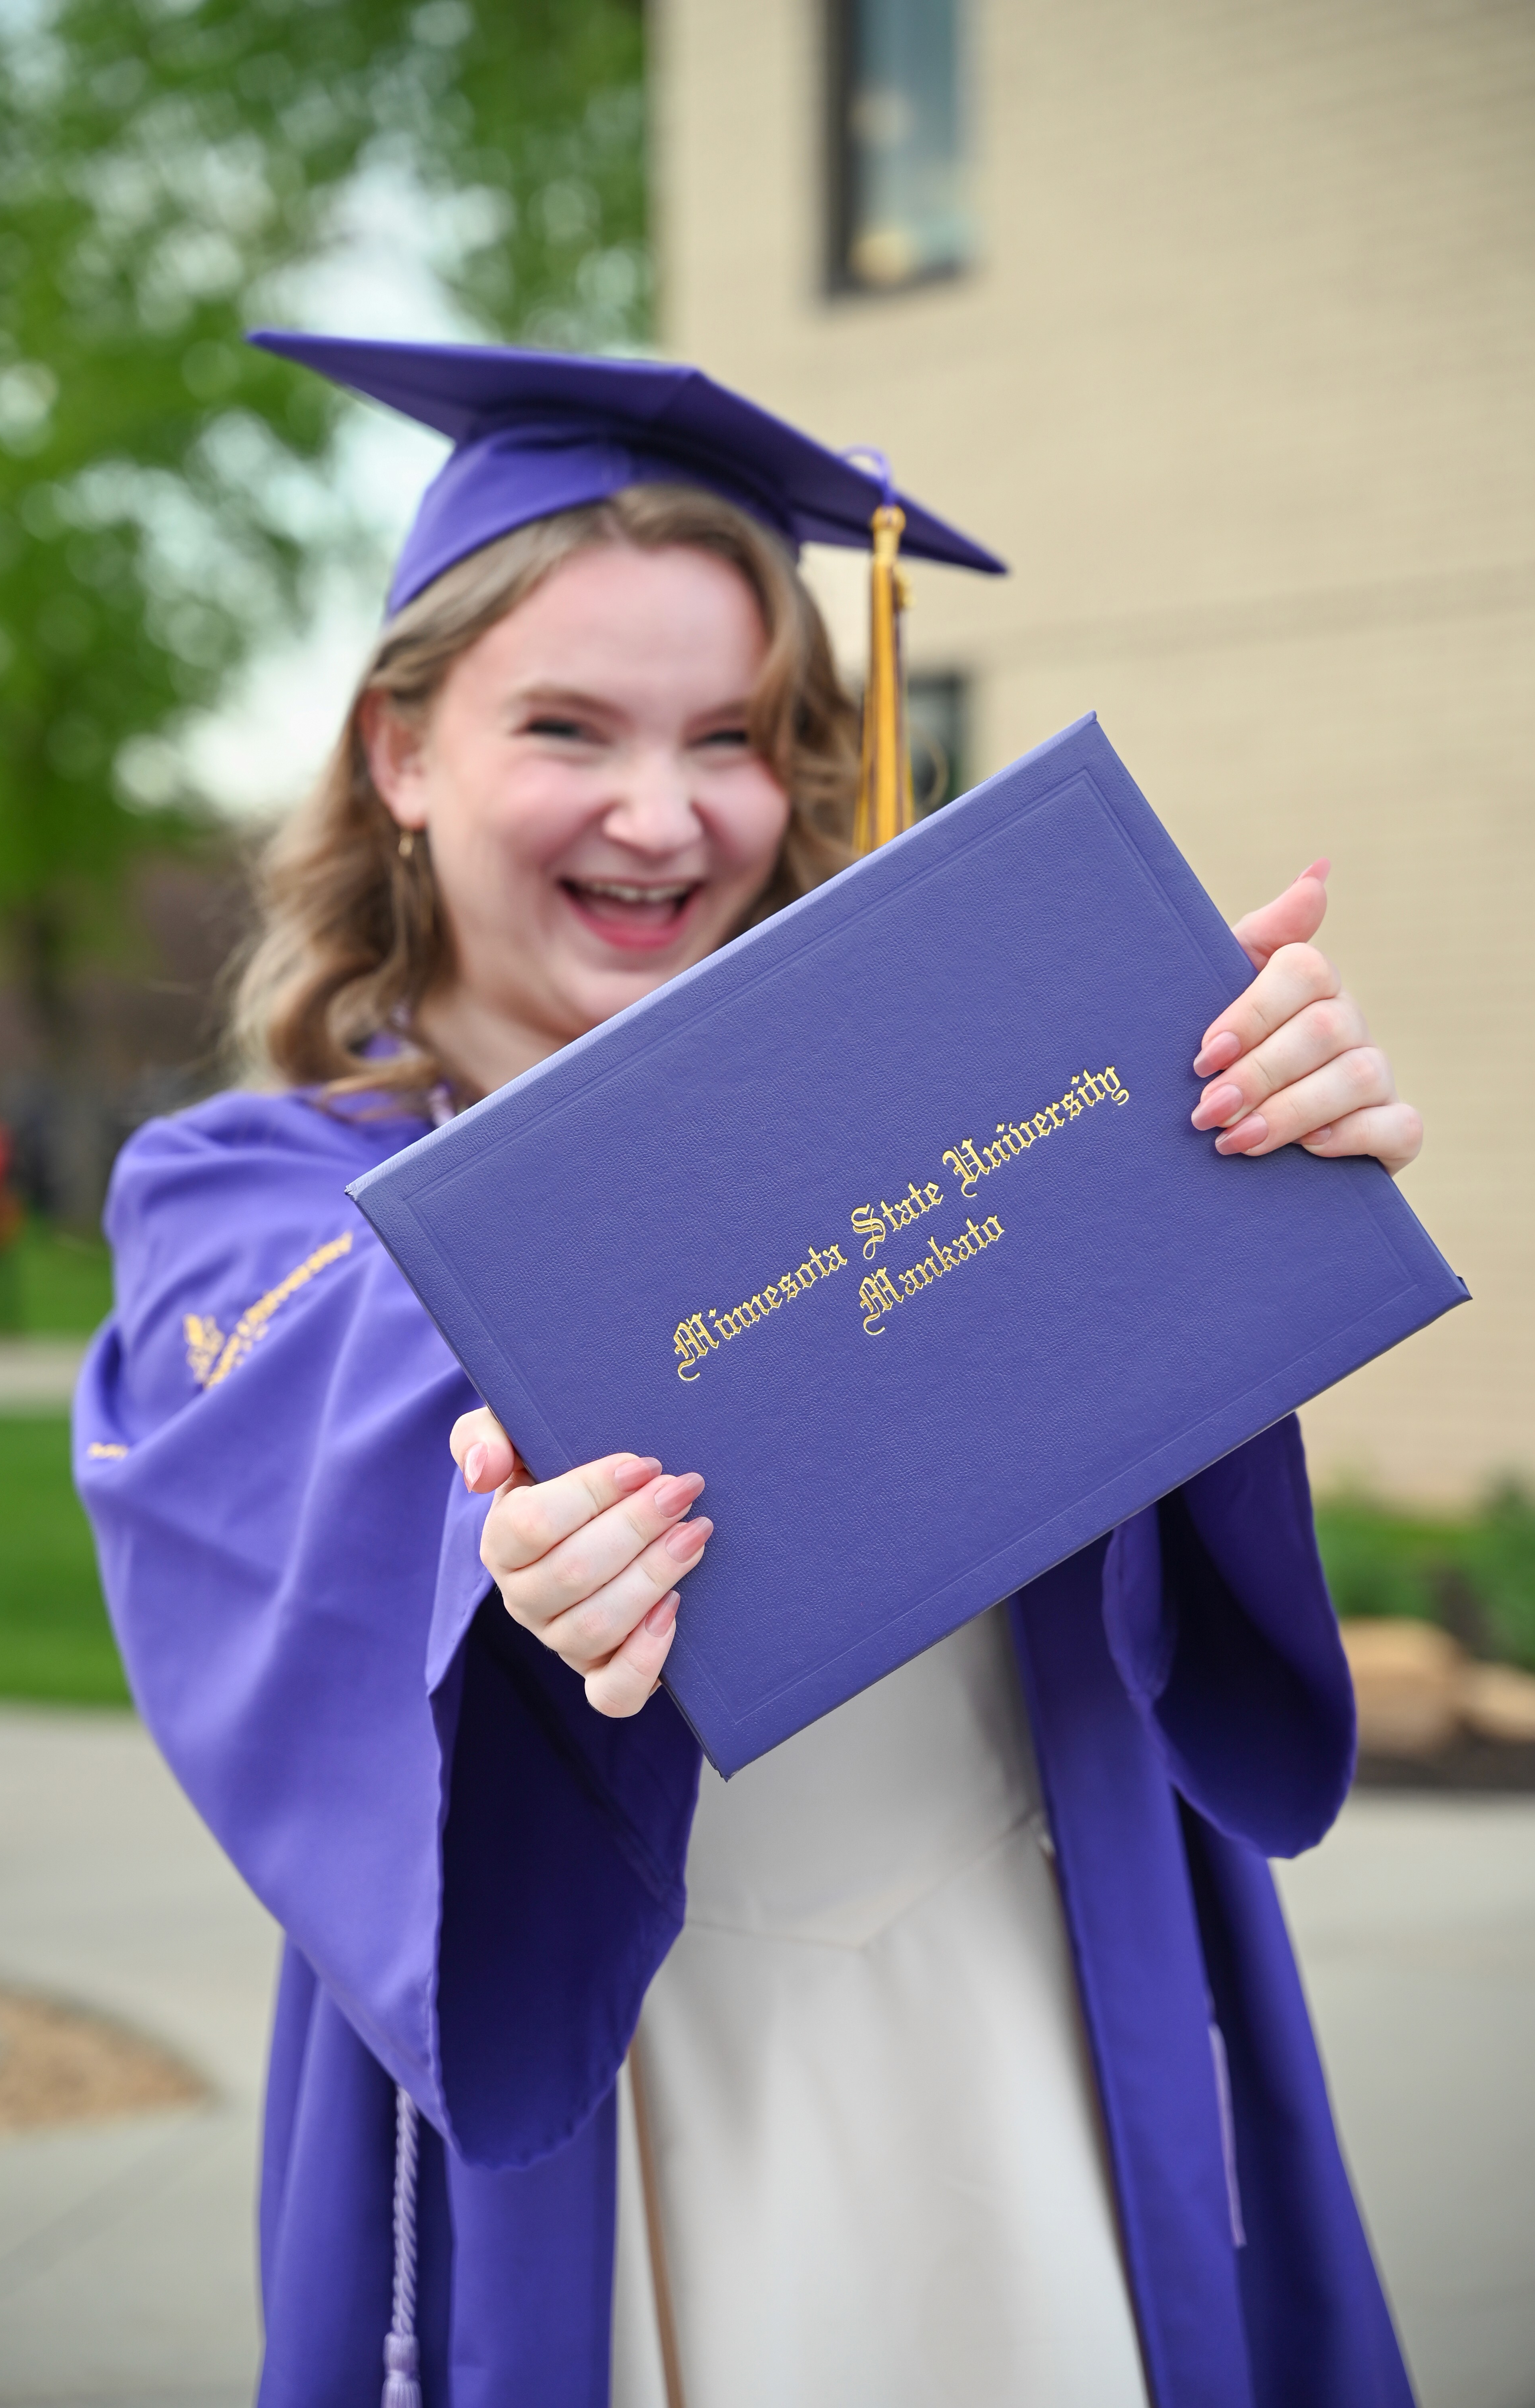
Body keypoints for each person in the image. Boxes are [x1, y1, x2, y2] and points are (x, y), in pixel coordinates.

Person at [76, 337, 1423, 2408]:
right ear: (401, 752)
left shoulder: (944, 1119)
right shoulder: (246, 1202)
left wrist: (1212, 1151)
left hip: (1030, 2021)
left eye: (731, 737)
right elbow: (313, 1453)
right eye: (568, 727)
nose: (663, 813)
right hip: (627, 2111)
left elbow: (1153, 1491)